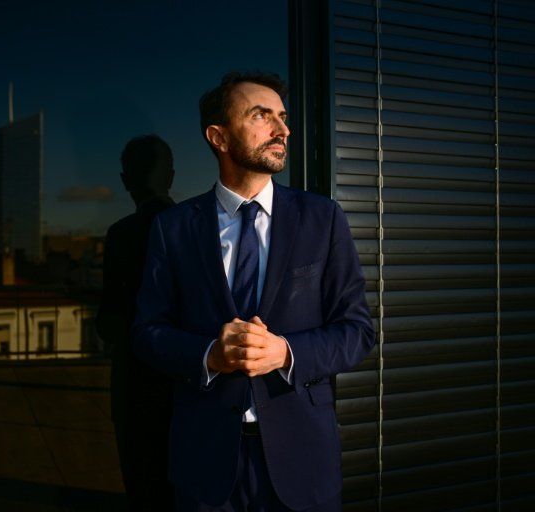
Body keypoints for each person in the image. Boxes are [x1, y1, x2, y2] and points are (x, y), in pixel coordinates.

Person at [132, 71, 375, 511]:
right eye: (262, 116)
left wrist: (285, 352)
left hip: (303, 456)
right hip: (205, 459)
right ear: (219, 137)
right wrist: (210, 355)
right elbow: (147, 333)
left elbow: (358, 331)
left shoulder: (322, 218)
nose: (282, 129)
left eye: (283, 117)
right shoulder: (174, 228)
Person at [97, 135, 177, 510]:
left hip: (135, 384)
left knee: (142, 488)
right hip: (187, 384)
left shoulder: (121, 234)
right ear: (171, 177)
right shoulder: (199, 226)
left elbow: (109, 322)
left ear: (125, 181)